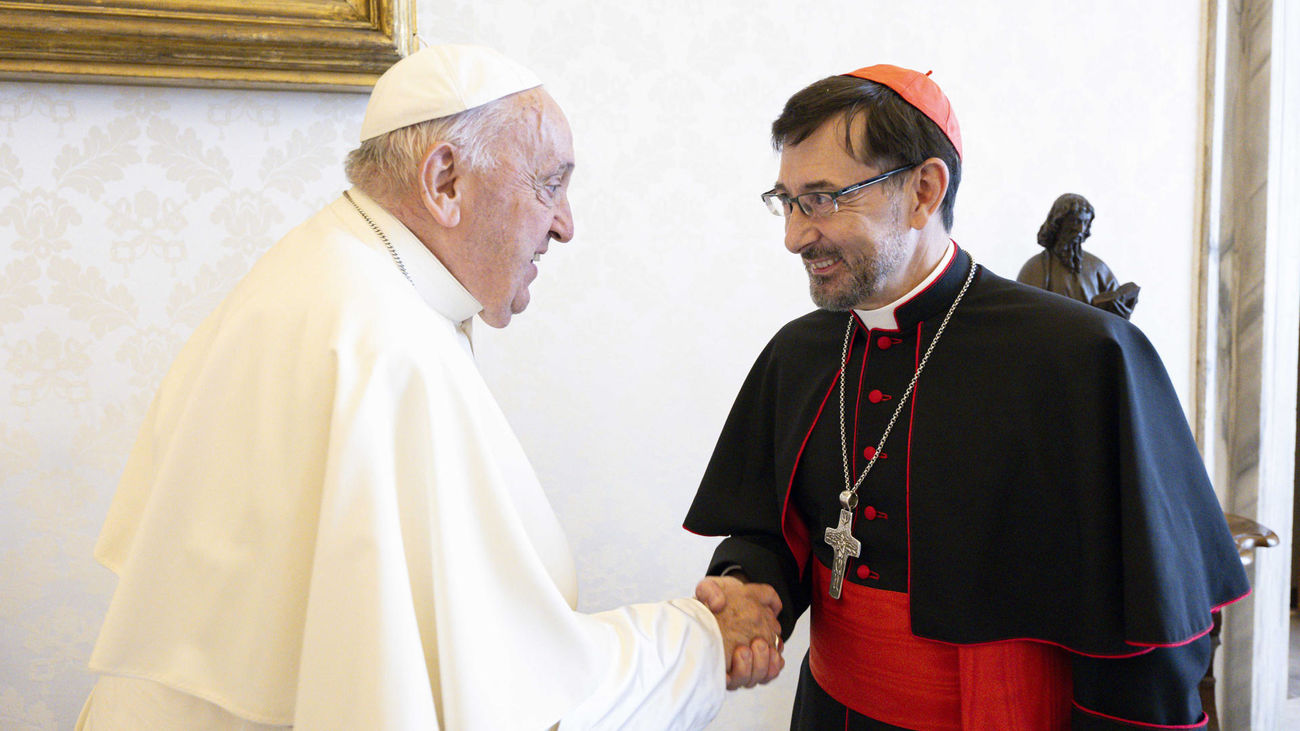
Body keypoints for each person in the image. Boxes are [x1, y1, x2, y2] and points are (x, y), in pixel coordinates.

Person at [77, 44, 783, 730]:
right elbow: (504, 692)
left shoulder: (323, 274)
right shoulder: (385, 345)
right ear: (445, 180)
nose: (565, 225)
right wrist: (699, 638)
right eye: (550, 183)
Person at [684, 64, 1249, 730]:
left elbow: (1149, 639)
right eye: (787, 200)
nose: (794, 234)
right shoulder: (799, 352)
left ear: (924, 190)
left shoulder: (1082, 356)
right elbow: (771, 527)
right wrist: (752, 588)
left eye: (823, 198)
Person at [1017, 193, 1140, 319]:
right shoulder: (1035, 267)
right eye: (1075, 221)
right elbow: (1026, 314)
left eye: (1085, 222)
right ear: (1059, 222)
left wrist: (1121, 305)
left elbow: (1117, 313)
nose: (1081, 229)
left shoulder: (1098, 267)